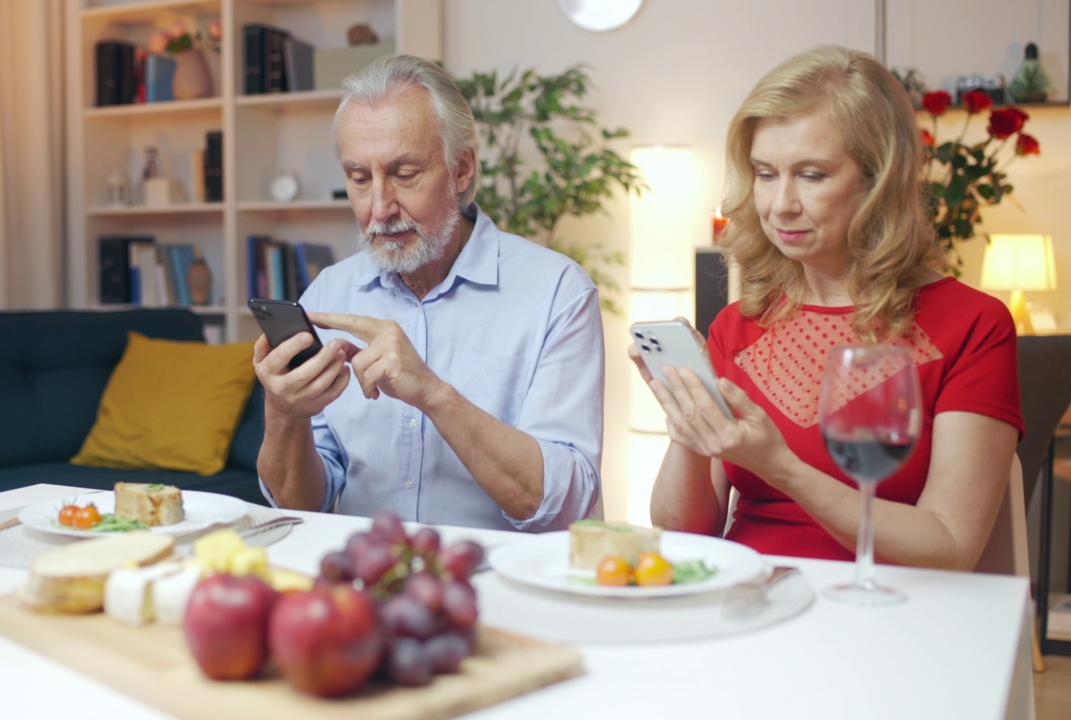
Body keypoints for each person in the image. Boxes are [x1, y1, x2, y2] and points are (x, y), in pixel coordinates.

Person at [632, 45, 1022, 570]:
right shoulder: (739, 324)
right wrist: (689, 424)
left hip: (887, 613)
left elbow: (949, 544)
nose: (779, 204)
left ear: (878, 179)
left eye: (811, 175)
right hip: (747, 607)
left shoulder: (972, 325)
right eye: (765, 173)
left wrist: (782, 468)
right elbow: (684, 532)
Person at [253, 54, 604, 532]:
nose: (379, 208)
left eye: (404, 174)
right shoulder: (329, 292)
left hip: (499, 590)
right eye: (359, 178)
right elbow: (300, 506)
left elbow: (568, 504)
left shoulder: (557, 293)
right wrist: (284, 415)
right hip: (361, 588)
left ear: (461, 170)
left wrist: (435, 395)